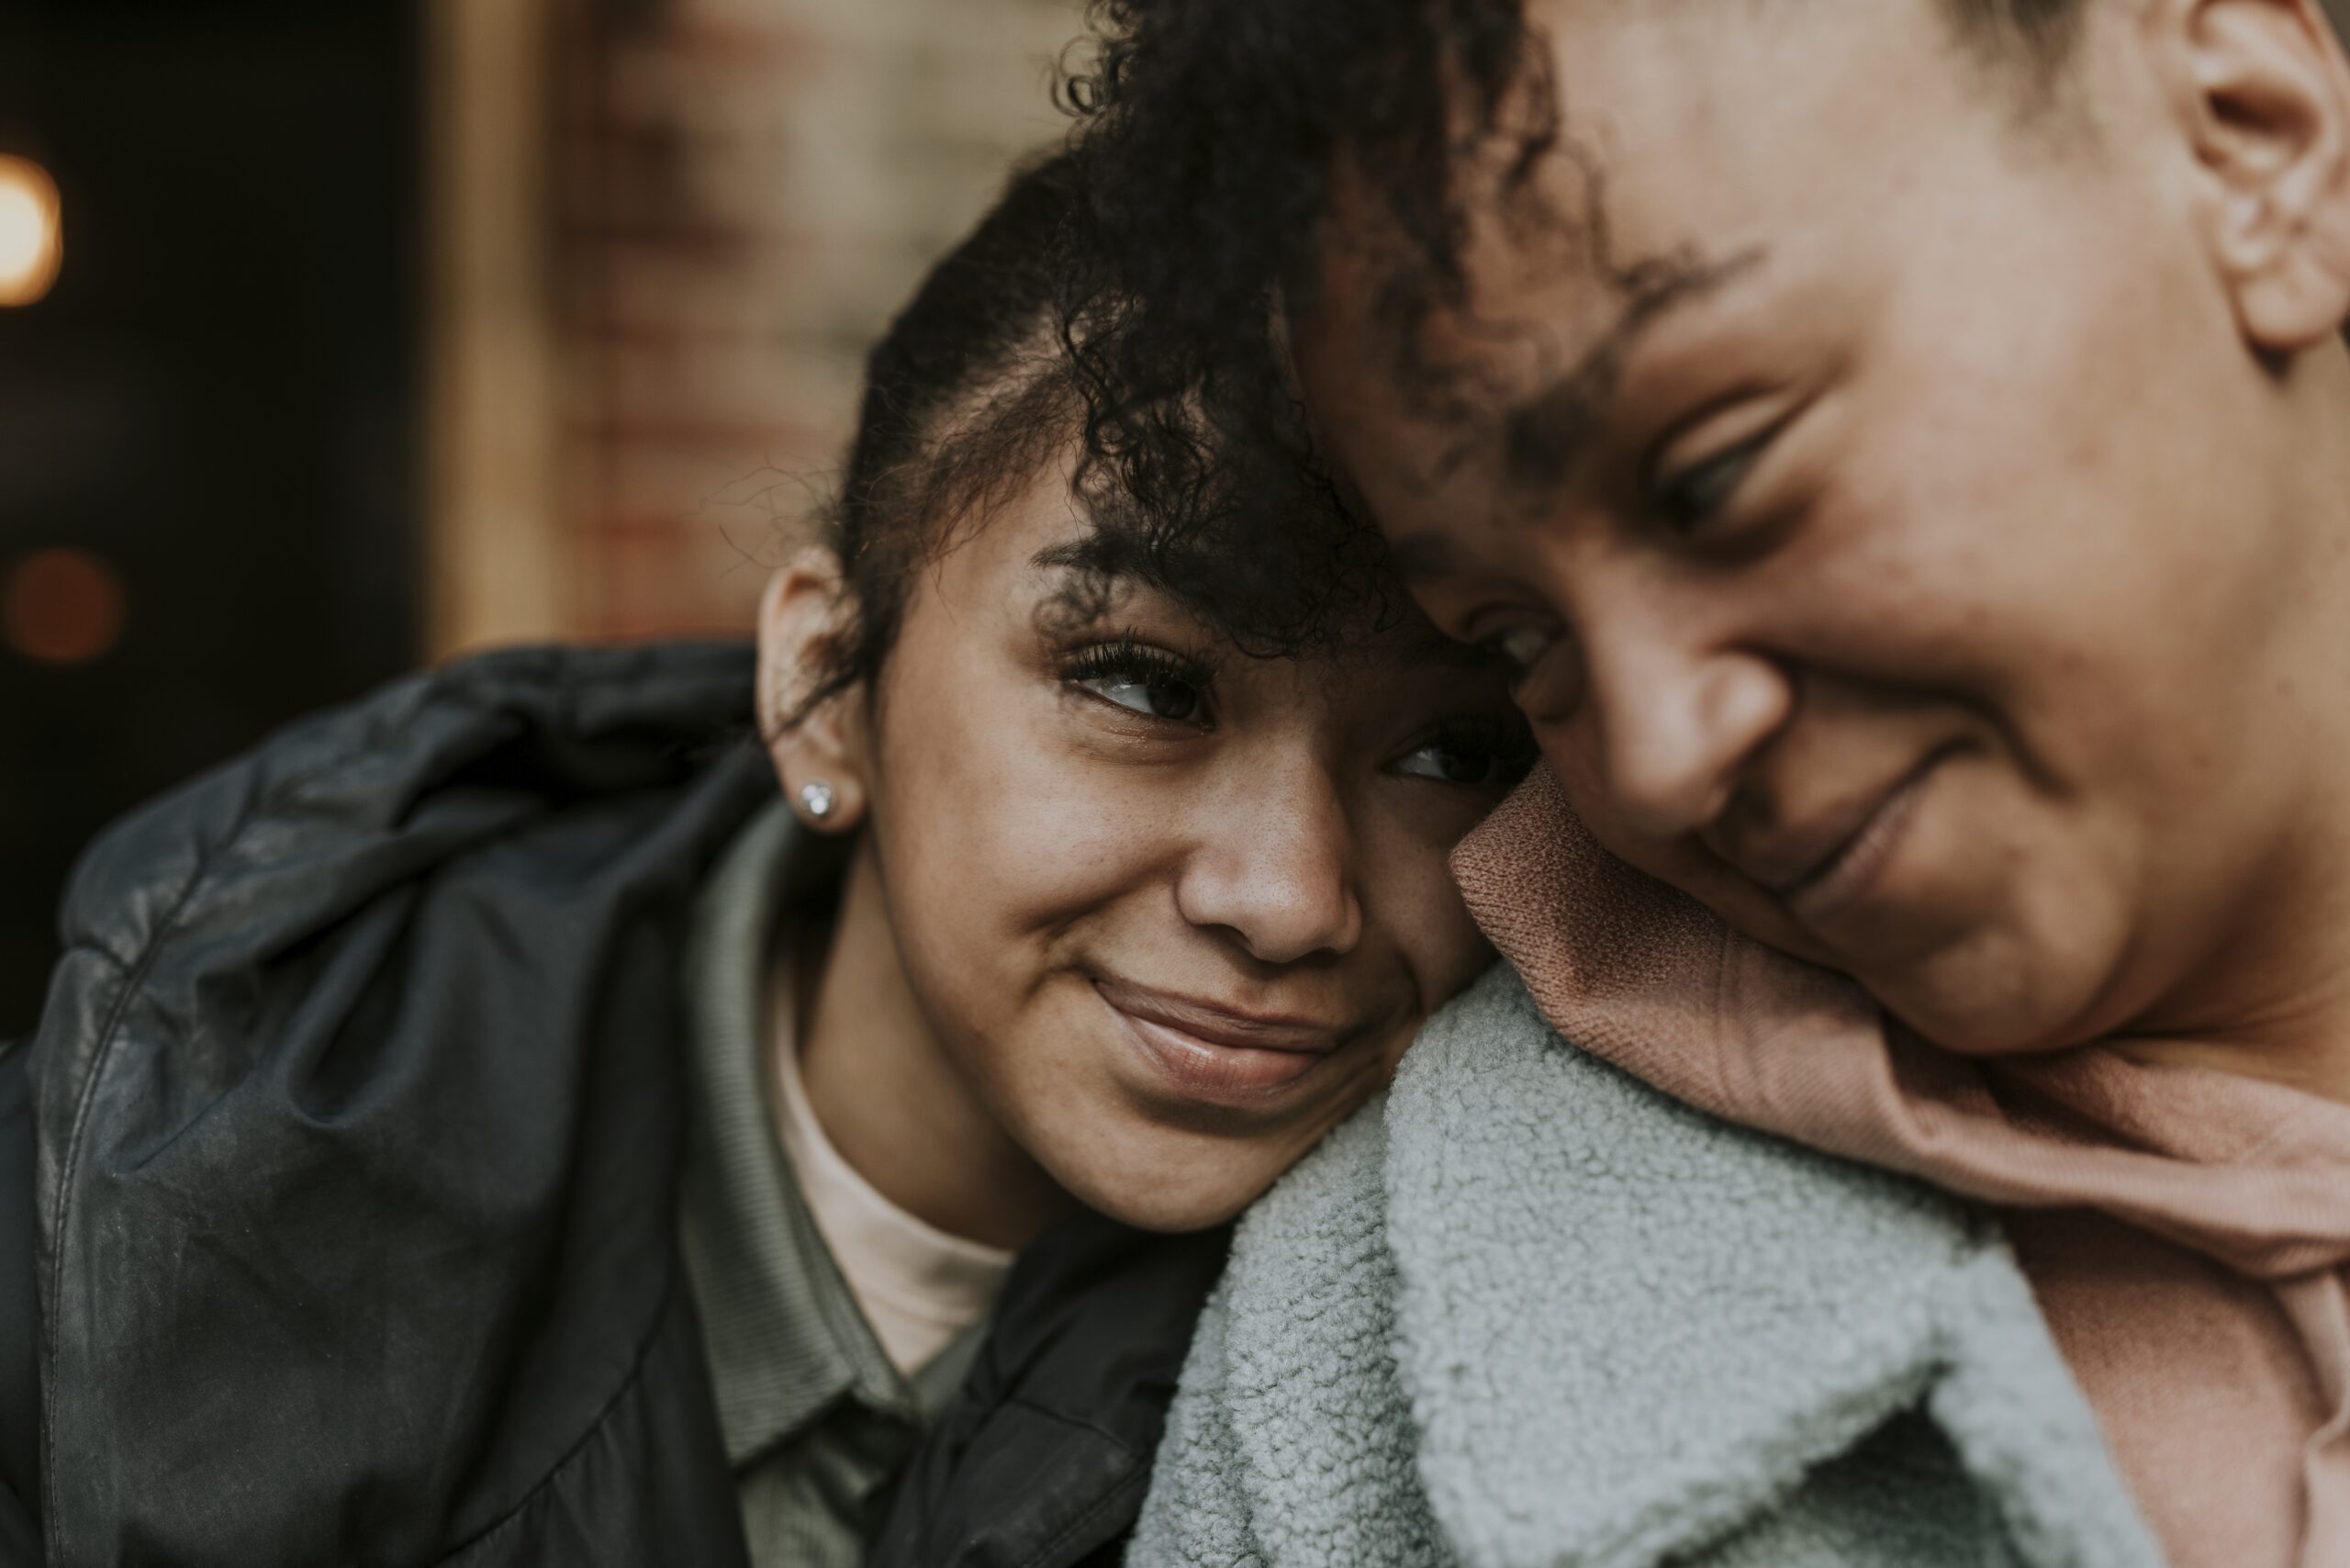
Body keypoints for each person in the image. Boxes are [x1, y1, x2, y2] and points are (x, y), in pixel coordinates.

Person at [0, 151, 1536, 1566]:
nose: (1287, 898)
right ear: (821, 688)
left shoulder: (1536, 1320)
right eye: (1141, 684)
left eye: (1455, 754)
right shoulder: (155, 1190)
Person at [1059, 0, 2350, 1562]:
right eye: (1520, 640)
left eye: (1720, 473)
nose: (1659, 761)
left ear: (2251, 141)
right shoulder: (1385, 1385)